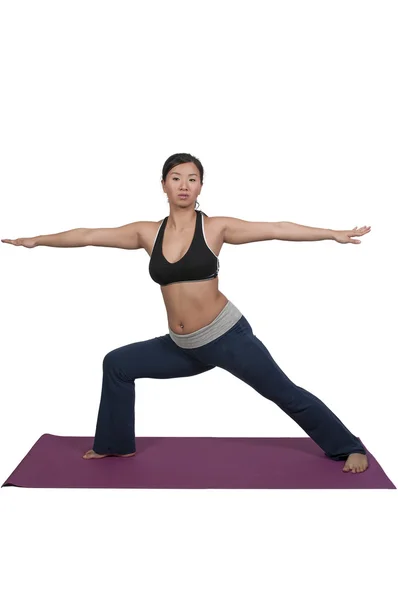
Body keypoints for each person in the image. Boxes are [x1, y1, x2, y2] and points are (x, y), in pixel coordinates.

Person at [2, 152, 371, 473]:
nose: (184, 185)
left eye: (192, 179)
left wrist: (331, 233)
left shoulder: (214, 228)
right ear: (163, 185)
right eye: (176, 178)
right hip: (183, 345)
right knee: (117, 364)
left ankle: (348, 445)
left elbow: (275, 228)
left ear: (200, 187)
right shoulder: (147, 234)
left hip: (227, 339)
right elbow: (87, 235)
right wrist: (37, 240)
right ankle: (115, 443)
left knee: (284, 393)